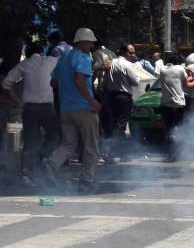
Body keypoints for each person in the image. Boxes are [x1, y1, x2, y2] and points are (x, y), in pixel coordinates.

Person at [43, 28, 102, 193]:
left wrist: (66, 87)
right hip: (84, 108)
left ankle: (51, 165)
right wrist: (92, 101)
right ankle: (86, 181)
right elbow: (79, 80)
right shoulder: (83, 57)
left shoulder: (63, 59)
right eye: (90, 42)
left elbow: (53, 83)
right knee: (91, 147)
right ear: (82, 42)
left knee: (68, 144)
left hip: (66, 109)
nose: (91, 46)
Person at [2, 43, 60, 185]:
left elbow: (5, 83)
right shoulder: (51, 60)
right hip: (48, 108)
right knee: (54, 134)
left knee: (29, 141)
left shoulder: (24, 64)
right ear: (41, 52)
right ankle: (45, 157)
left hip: (30, 109)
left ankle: (27, 172)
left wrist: (17, 101)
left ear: (27, 53)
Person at [102, 45, 140, 163]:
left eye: (133, 53)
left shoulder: (111, 63)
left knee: (116, 125)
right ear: (124, 52)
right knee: (120, 126)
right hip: (123, 96)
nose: (132, 55)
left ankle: (122, 153)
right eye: (130, 53)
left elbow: (106, 81)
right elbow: (135, 81)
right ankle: (110, 151)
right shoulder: (127, 65)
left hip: (112, 96)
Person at [159, 51, 187, 162]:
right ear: (177, 61)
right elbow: (185, 84)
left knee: (169, 129)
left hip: (165, 104)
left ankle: (170, 153)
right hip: (178, 104)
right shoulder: (180, 69)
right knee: (178, 129)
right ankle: (177, 153)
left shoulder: (162, 70)